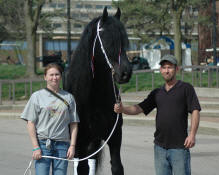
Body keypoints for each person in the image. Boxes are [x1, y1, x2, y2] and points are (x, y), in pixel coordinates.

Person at [114, 54, 201, 175]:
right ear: (160, 70)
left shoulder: (186, 88)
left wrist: (192, 135)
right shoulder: (157, 93)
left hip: (180, 148)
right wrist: (123, 109)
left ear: (177, 69)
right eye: (164, 67)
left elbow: (195, 110)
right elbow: (139, 108)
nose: (166, 70)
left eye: (170, 67)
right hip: (160, 148)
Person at [21, 63, 79, 175]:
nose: (54, 77)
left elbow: (74, 123)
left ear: (61, 76)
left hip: (62, 146)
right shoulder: (36, 96)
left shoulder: (69, 98)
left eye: (57, 74)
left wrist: (72, 146)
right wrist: (35, 147)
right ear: (45, 77)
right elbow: (30, 123)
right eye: (51, 75)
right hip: (43, 145)